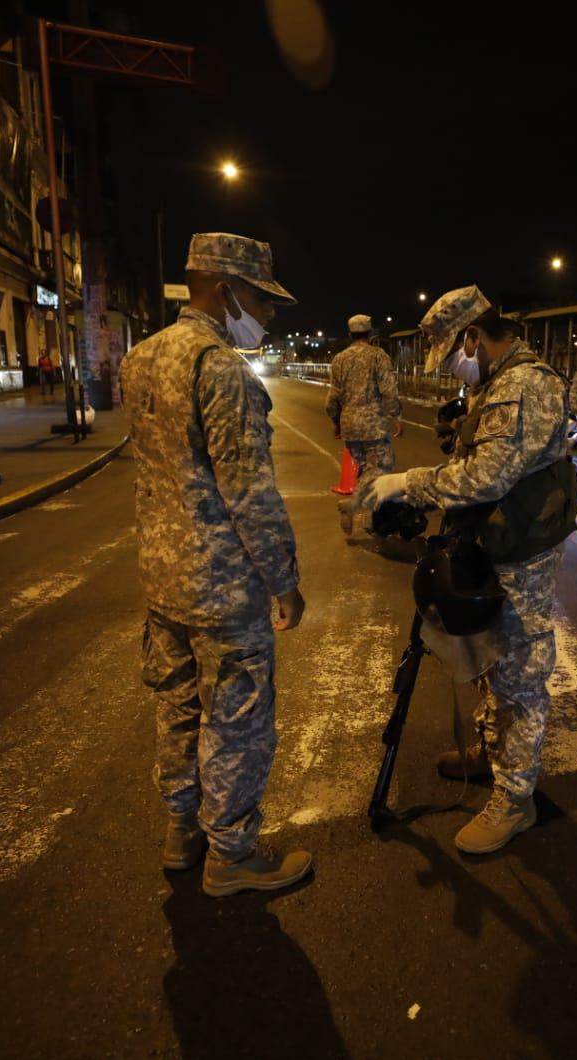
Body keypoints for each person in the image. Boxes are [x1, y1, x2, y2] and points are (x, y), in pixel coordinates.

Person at [119, 232, 312, 898]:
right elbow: (249, 492)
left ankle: (182, 834)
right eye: (262, 297)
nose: (269, 312)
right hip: (223, 586)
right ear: (226, 290)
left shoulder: (140, 359)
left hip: (162, 578)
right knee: (235, 720)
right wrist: (284, 582)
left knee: (174, 708)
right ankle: (231, 854)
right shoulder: (221, 368)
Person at [367, 285, 577, 855]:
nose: (458, 370)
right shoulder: (496, 383)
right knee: (490, 657)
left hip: (523, 554)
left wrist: (409, 483)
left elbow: (487, 477)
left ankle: (516, 801)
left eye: (456, 355)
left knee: (519, 677)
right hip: (498, 541)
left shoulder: (523, 384)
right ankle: (491, 752)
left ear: (473, 337)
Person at [325, 314, 403, 480]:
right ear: (370, 334)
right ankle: (371, 504)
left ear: (350, 335)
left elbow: (333, 398)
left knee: (361, 474)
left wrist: (336, 422)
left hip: (350, 427)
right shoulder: (378, 356)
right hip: (375, 427)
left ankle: (361, 502)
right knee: (379, 475)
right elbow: (389, 391)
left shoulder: (339, 359)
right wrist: (396, 417)